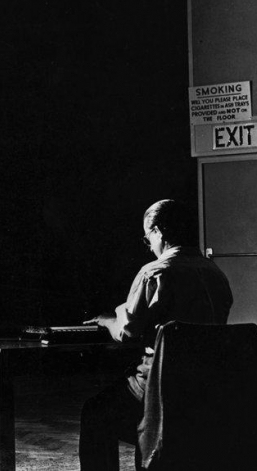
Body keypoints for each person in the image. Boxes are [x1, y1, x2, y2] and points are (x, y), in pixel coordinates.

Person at [79, 199, 233, 471]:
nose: (149, 245)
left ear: (159, 231)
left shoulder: (154, 273)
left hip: (161, 390)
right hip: (206, 391)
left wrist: (110, 319)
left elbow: (127, 333)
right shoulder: (217, 275)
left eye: (147, 237)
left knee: (94, 412)